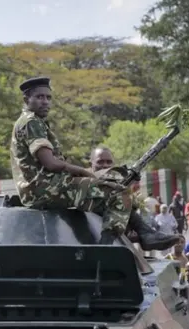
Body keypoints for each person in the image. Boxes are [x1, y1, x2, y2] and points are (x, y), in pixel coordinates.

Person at [9, 76, 178, 250]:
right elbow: (51, 164)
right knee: (116, 192)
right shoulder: (31, 122)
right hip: (43, 190)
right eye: (39, 97)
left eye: (48, 97)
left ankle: (143, 234)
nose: (45, 102)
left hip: (44, 188)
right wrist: (82, 171)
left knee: (113, 188)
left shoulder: (32, 121)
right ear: (26, 99)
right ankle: (108, 245)